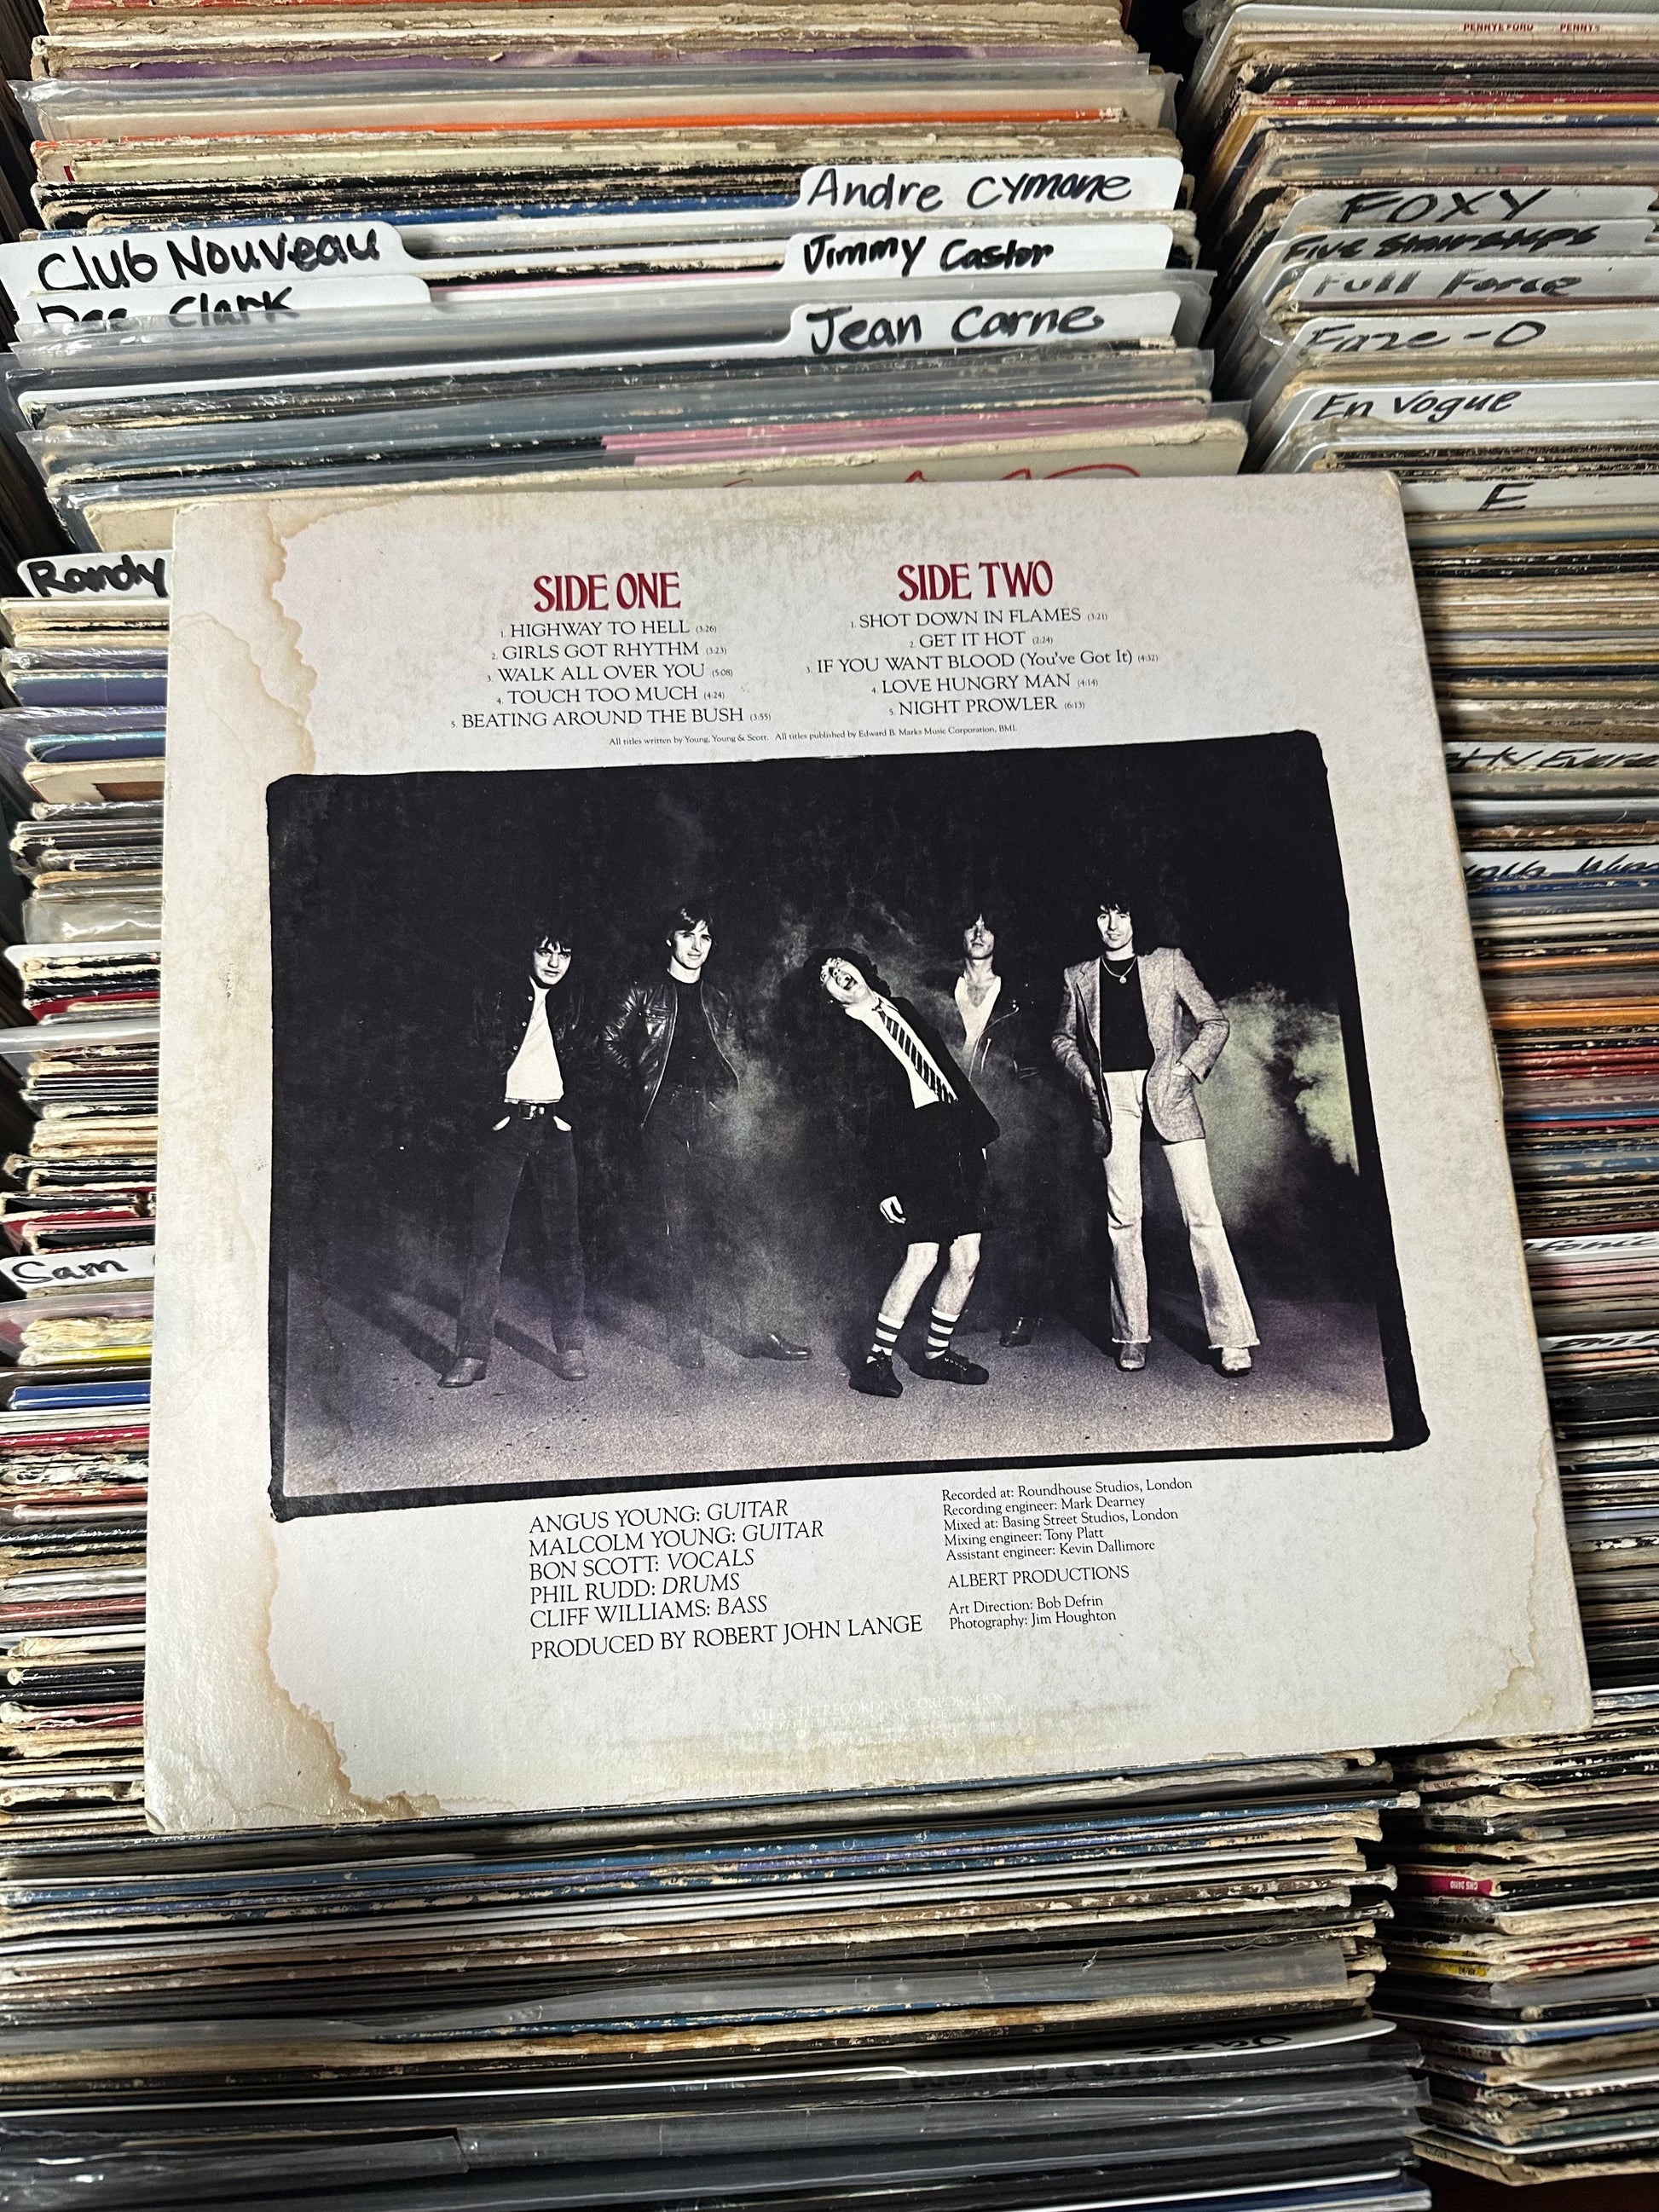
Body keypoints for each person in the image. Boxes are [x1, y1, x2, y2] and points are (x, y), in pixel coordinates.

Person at [1051, 885, 1257, 1376]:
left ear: (1136, 918)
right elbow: (1061, 1038)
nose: (1112, 925)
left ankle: (1232, 1338)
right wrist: (1086, 1077)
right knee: (1123, 1219)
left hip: (1169, 1090)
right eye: (1103, 914)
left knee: (1202, 1216)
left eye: (1121, 913)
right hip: (1112, 1098)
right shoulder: (1078, 976)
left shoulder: (1168, 963)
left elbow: (1214, 1022)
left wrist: (1185, 1071)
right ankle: (1131, 1335)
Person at [601, 900, 810, 1372]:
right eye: (687, 935)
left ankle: (759, 1330)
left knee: (739, 1221)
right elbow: (608, 1043)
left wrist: (733, 1102)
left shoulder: (718, 998)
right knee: (678, 1225)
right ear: (669, 939)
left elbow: (734, 1054)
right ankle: (683, 1333)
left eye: (705, 937)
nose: (697, 946)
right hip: (665, 1116)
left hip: (714, 1114)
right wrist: (643, 1086)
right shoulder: (643, 992)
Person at [817, 948, 1001, 1399]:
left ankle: (936, 1355)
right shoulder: (843, 1040)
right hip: (911, 1147)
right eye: (827, 975)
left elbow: (946, 1070)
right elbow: (857, 1122)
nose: (838, 973)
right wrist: (882, 1185)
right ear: (828, 996)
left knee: (967, 1256)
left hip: (954, 1131)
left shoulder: (901, 1008)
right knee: (922, 1255)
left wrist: (976, 1131)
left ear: (861, 967)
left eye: (841, 964)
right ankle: (875, 1362)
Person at [442, 919, 592, 1389]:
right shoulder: (497, 995)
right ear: (529, 951)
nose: (555, 963)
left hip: (555, 1129)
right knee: (487, 1243)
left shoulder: (578, 1001)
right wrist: (493, 1113)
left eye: (564, 954)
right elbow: (465, 1054)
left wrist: (570, 1114)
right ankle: (471, 1354)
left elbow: (593, 1062)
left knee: (565, 1241)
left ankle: (570, 1348)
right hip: (507, 1127)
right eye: (546, 951)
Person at [926, 907, 1057, 1349]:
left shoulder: (1019, 996)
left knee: (1015, 1212)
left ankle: (1022, 1309)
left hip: (1005, 1113)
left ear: (999, 936)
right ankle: (969, 1304)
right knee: (964, 1211)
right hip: (950, 1113)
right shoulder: (938, 990)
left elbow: (1035, 1063)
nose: (979, 932)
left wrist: (1024, 1111)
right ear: (960, 933)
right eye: (972, 924)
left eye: (988, 925)